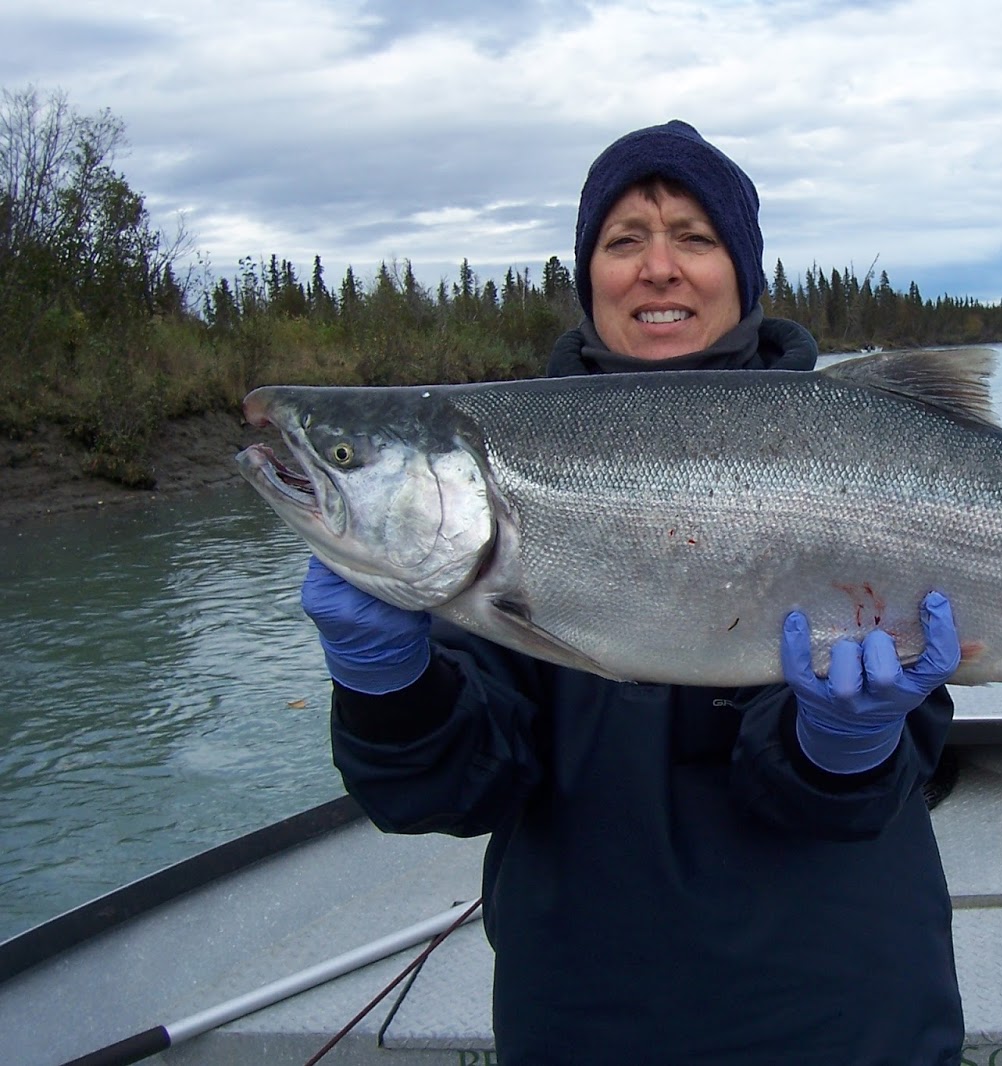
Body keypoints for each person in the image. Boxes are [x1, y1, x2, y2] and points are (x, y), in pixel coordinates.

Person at [301, 120, 966, 1065]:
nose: (659, 267)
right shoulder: (492, 491)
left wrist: (844, 748)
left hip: (847, 1019)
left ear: (741, 275)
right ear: (589, 282)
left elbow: (871, 798)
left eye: (694, 238)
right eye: (624, 242)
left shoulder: (854, 461)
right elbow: (442, 793)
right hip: (585, 1022)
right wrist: (388, 685)